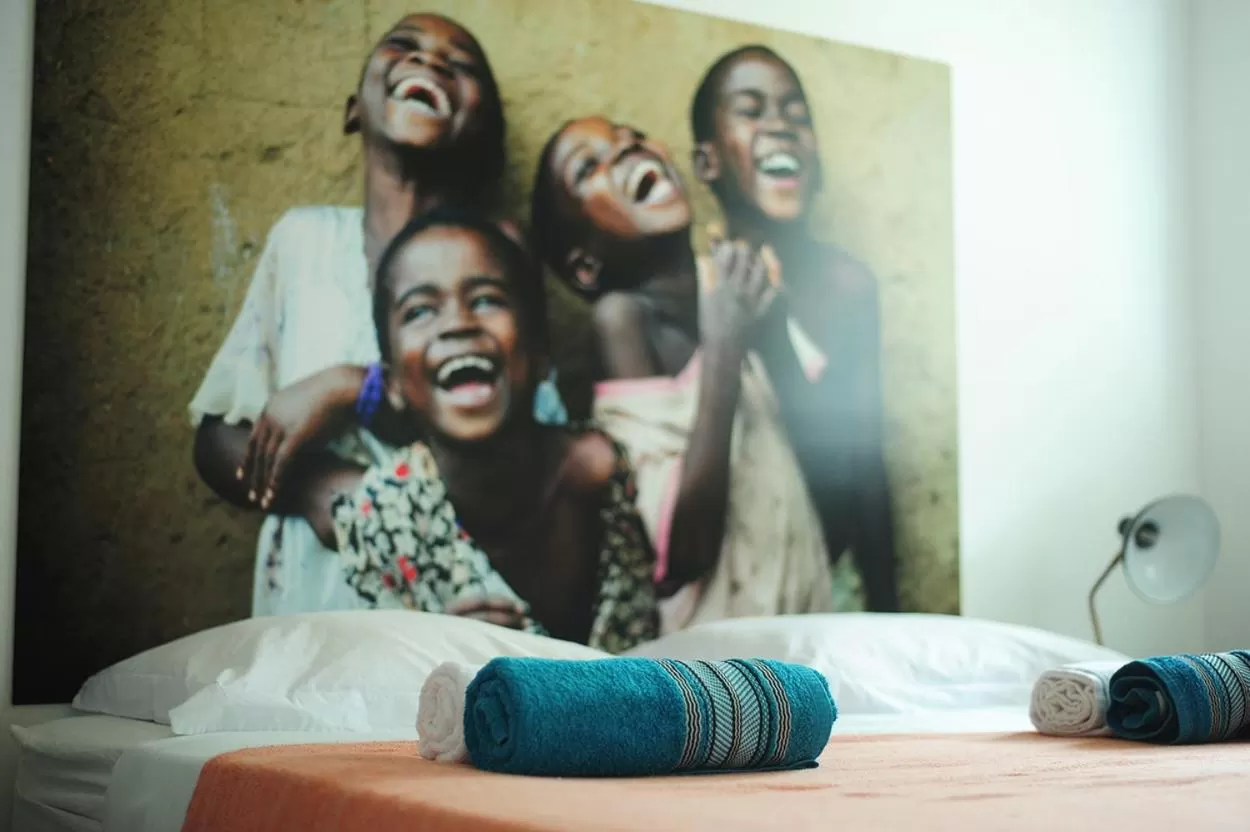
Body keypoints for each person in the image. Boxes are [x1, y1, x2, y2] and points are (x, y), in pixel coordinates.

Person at [189, 13, 523, 618]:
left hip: (457, 599)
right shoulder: (305, 242)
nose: (430, 61)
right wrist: (322, 488)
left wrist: (356, 387)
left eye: (462, 65)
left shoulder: (502, 255)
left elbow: (523, 437)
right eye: (403, 45)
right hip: (311, 609)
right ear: (352, 111)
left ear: (487, 138)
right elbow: (217, 438)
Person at [530, 115, 860, 635]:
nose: (626, 148)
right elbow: (680, 557)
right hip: (718, 664)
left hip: (806, 628)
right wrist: (725, 343)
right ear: (585, 267)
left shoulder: (736, 282)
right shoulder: (622, 319)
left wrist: (771, 331)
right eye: (589, 166)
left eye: (631, 134)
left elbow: (834, 485)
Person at [330, 208, 659, 653]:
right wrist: (434, 655)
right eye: (421, 310)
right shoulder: (380, 520)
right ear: (392, 384)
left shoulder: (602, 472)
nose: (458, 324)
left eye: (486, 299)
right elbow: (386, 690)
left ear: (540, 353)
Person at [689, 45, 900, 612]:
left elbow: (862, 470)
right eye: (751, 111)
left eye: (796, 116)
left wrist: (889, 616)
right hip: (728, 594)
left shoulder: (847, 286)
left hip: (827, 583)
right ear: (707, 162)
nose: (780, 127)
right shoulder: (694, 290)